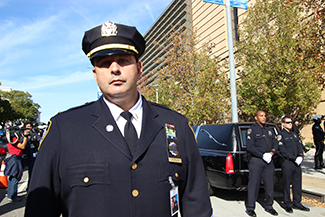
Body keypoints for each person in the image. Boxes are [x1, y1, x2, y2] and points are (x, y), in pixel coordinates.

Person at [25, 21, 213, 217]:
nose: (114, 69)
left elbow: (197, 204)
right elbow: (40, 208)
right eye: (104, 63)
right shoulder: (63, 130)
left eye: (123, 60)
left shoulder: (177, 126)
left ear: (139, 68)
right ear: (95, 75)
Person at [245, 110, 279, 217]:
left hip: (269, 161)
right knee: (254, 185)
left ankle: (269, 206)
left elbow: (275, 143)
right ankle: (250, 207)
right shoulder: (252, 130)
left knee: (269, 184)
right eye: (261, 116)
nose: (264, 118)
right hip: (256, 161)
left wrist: (271, 153)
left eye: (265, 116)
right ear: (256, 118)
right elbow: (250, 147)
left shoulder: (269, 130)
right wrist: (262, 155)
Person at [278, 116, 310, 213]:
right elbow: (282, 150)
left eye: (291, 122)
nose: (290, 124)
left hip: (297, 163)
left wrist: (300, 156)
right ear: (283, 124)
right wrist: (293, 158)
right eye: (288, 122)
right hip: (288, 162)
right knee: (287, 184)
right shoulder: (281, 135)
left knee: (297, 183)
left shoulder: (294, 135)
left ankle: (297, 202)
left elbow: (300, 146)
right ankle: (287, 203)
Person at [4, 127, 28, 202]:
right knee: (15, 177)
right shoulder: (14, 139)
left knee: (12, 177)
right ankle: (13, 195)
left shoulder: (10, 139)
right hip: (15, 158)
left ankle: (10, 194)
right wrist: (25, 138)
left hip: (13, 158)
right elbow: (22, 146)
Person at [23, 121, 41, 190]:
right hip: (24, 155)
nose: (28, 128)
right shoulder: (22, 134)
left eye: (29, 127)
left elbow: (39, 140)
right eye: (27, 127)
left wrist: (33, 136)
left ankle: (30, 187)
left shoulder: (34, 134)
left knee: (32, 172)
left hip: (32, 155)